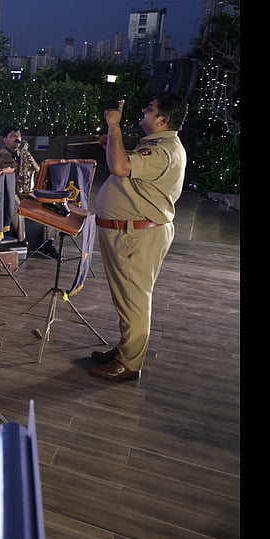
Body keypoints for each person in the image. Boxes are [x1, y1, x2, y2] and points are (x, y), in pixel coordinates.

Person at [90, 94, 188, 381]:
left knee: (134, 299)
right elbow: (125, 165)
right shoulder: (158, 147)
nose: (143, 112)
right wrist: (113, 143)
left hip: (135, 235)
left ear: (162, 120)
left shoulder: (162, 151)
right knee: (127, 296)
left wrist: (114, 126)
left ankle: (130, 363)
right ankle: (125, 349)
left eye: (149, 109)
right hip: (130, 231)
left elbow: (120, 167)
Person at [0, 126, 59, 259]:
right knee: (15, 201)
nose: (17, 137)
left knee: (50, 202)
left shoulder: (24, 155)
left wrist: (34, 164)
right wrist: (13, 178)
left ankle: (48, 241)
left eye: (18, 135)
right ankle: (23, 240)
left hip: (26, 191)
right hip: (7, 194)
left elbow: (40, 174)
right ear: (5, 140)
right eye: (13, 135)